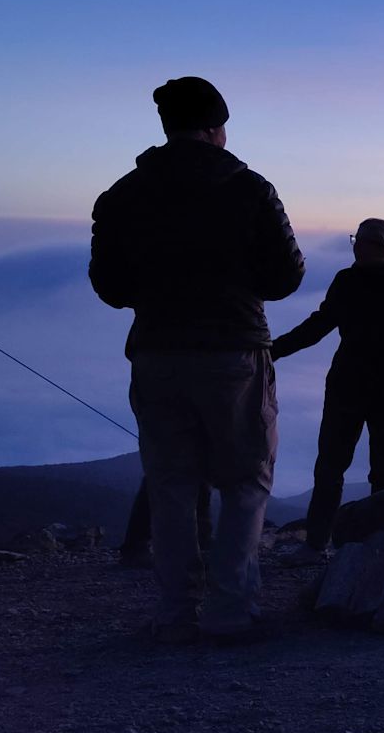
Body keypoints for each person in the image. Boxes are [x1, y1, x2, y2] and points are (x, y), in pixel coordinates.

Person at [89, 77, 305, 643]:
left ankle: (174, 612)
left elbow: (109, 286)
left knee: (171, 484)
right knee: (244, 481)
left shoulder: (122, 194)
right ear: (215, 127)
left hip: (157, 352)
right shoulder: (251, 188)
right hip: (234, 351)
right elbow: (286, 276)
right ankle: (230, 610)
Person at [270, 218, 384, 564]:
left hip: (380, 387)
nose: (358, 248)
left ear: (382, 247)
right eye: (356, 242)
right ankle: (327, 545)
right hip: (359, 385)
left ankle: (374, 548)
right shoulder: (354, 281)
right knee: (336, 465)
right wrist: (274, 350)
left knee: (376, 470)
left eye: (363, 243)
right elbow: (321, 324)